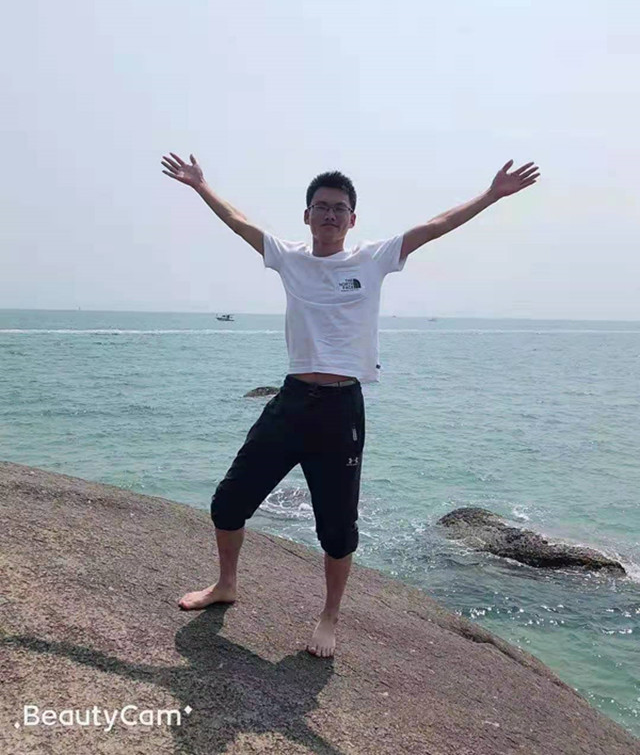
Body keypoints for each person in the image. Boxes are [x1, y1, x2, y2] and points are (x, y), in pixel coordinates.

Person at [161, 152, 540, 657]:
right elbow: (238, 222)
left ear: (352, 219)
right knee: (228, 503)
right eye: (321, 206)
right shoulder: (289, 257)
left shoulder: (372, 258)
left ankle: (329, 616)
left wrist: (491, 195)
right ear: (307, 215)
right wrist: (201, 186)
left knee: (337, 529)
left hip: (341, 410)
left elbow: (435, 226)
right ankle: (226, 584)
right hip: (291, 401)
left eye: (339, 208)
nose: (330, 215)